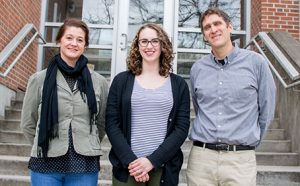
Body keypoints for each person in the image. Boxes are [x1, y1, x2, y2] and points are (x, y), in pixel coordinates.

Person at [187, 7, 276, 186]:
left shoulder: (256, 63)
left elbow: (267, 109)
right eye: (207, 27)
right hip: (201, 160)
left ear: (230, 27)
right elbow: (199, 108)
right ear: (204, 36)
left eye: (217, 23)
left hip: (240, 161)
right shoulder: (197, 69)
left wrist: (248, 145)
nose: (213, 29)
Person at [20, 18, 108, 186]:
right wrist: (44, 143)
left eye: (80, 40)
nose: (74, 43)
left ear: (85, 45)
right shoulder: (39, 79)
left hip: (84, 164)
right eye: (69, 38)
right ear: (59, 41)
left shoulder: (99, 82)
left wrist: (87, 141)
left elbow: (101, 123)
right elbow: (27, 123)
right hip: (45, 163)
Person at [105, 23, 190, 186]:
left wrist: (152, 161)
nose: (149, 46)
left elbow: (181, 128)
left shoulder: (179, 84)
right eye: (143, 41)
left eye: (154, 41)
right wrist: (132, 162)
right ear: (137, 46)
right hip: (128, 167)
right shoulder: (121, 81)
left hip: (163, 166)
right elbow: (112, 124)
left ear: (163, 45)